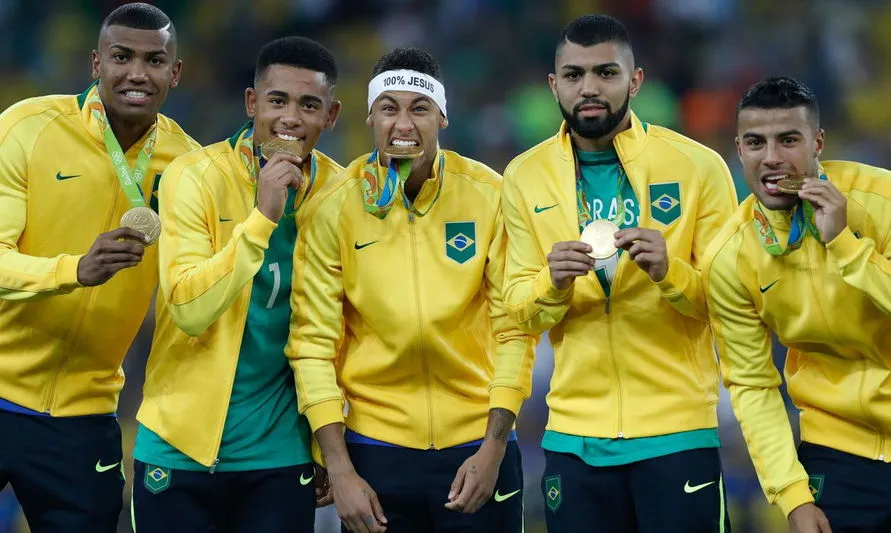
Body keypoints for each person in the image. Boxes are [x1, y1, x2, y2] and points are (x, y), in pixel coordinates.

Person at [501, 14, 738, 533]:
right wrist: (551, 282)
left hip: (677, 433)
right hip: (573, 437)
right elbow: (516, 307)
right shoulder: (524, 175)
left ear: (635, 81)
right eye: (574, 75)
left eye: (606, 73)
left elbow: (736, 304)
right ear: (553, 85)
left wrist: (670, 272)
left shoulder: (698, 167)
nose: (589, 88)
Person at [286, 47, 534, 533]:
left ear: (442, 116)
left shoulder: (489, 195)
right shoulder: (335, 206)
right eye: (389, 108)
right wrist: (337, 464)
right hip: (374, 452)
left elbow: (514, 330)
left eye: (419, 108)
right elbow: (313, 344)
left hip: (476, 448)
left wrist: (494, 447)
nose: (403, 123)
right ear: (370, 117)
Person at [131, 36, 343, 533]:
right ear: (252, 103)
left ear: (330, 117)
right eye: (277, 101)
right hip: (177, 446)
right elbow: (188, 308)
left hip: (280, 453)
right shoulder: (194, 177)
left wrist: (326, 444)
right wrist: (263, 217)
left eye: (308, 105)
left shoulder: (342, 194)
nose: (290, 117)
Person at [0, 3, 197, 531]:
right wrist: (73, 270)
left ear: (174, 73)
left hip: (84, 417)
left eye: (155, 60)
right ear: (95, 63)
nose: (137, 73)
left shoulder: (189, 168)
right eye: (121, 57)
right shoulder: (27, 127)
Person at [704, 76, 891, 533]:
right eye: (755, 142)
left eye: (788, 140)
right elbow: (752, 385)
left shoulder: (881, 201)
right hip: (837, 448)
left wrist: (846, 246)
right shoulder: (729, 255)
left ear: (817, 143)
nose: (771, 157)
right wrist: (791, 496)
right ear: (739, 149)